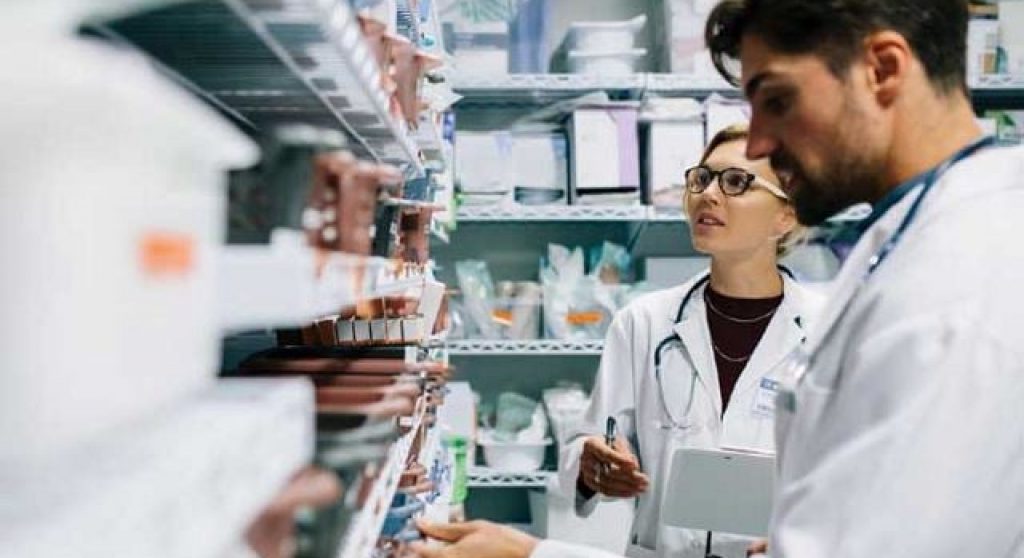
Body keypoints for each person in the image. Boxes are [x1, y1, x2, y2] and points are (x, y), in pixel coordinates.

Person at [408, 0, 1024, 556]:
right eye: (703, 177)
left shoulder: (962, 281)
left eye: (776, 99)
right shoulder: (903, 243)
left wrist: (532, 556)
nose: (759, 139)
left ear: (883, 69)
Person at [556, 123, 822, 558]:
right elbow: (587, 448)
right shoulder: (643, 324)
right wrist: (591, 468)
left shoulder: (828, 330)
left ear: (786, 216)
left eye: (736, 182)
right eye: (701, 178)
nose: (708, 194)